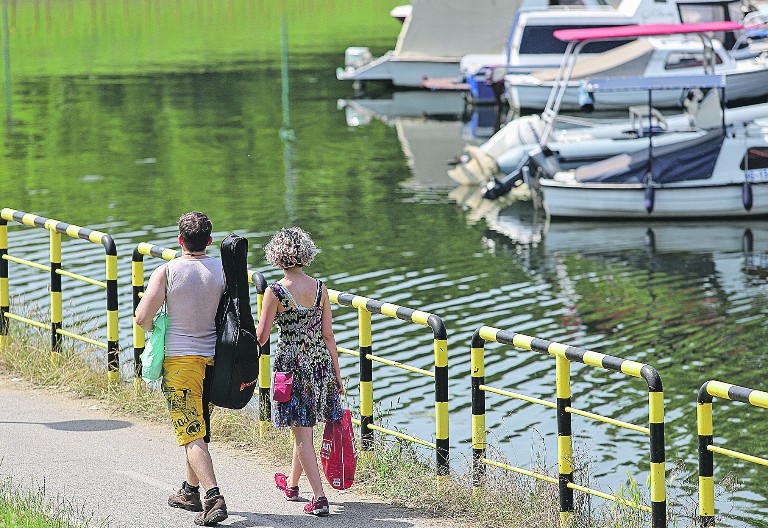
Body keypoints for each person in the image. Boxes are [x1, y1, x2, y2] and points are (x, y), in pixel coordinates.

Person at [135, 212, 228, 527]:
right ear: (209, 241)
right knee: (196, 429)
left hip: (180, 363)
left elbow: (141, 317)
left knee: (191, 434)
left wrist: (156, 327)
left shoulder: (167, 271)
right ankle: (190, 491)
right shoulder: (221, 270)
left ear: (180, 241)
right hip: (214, 362)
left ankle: (213, 497)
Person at [256, 227, 344, 517]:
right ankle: (292, 485)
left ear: (277, 256)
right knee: (304, 429)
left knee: (301, 433)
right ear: (305, 253)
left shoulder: (275, 292)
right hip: (320, 363)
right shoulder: (320, 288)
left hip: (291, 367)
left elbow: (262, 337)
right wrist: (337, 373)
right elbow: (328, 335)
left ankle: (319, 498)